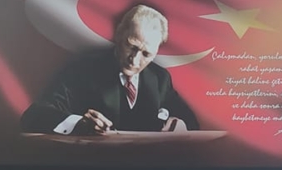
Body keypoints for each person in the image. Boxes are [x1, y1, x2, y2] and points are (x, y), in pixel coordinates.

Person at [21, 5, 200, 135]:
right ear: (119, 34)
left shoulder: (159, 78)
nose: (134, 60)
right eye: (131, 46)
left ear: (155, 53)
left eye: (146, 54)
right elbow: (34, 116)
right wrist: (79, 123)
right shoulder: (83, 69)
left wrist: (180, 125)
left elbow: (190, 121)